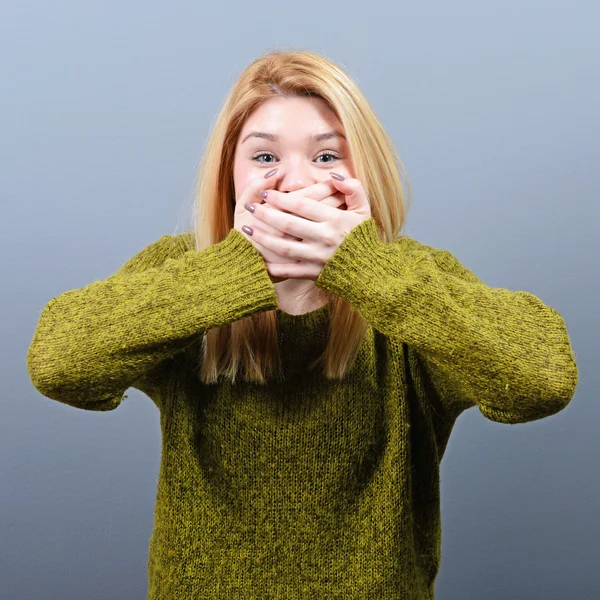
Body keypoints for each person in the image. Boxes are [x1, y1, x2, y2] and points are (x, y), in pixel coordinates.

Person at [26, 49, 579, 599]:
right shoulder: (186, 271)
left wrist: (366, 267)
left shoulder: (413, 279)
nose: (293, 183)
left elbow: (543, 379)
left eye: (327, 156)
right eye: (264, 158)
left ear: (366, 169)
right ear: (230, 174)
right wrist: (234, 270)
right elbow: (59, 363)